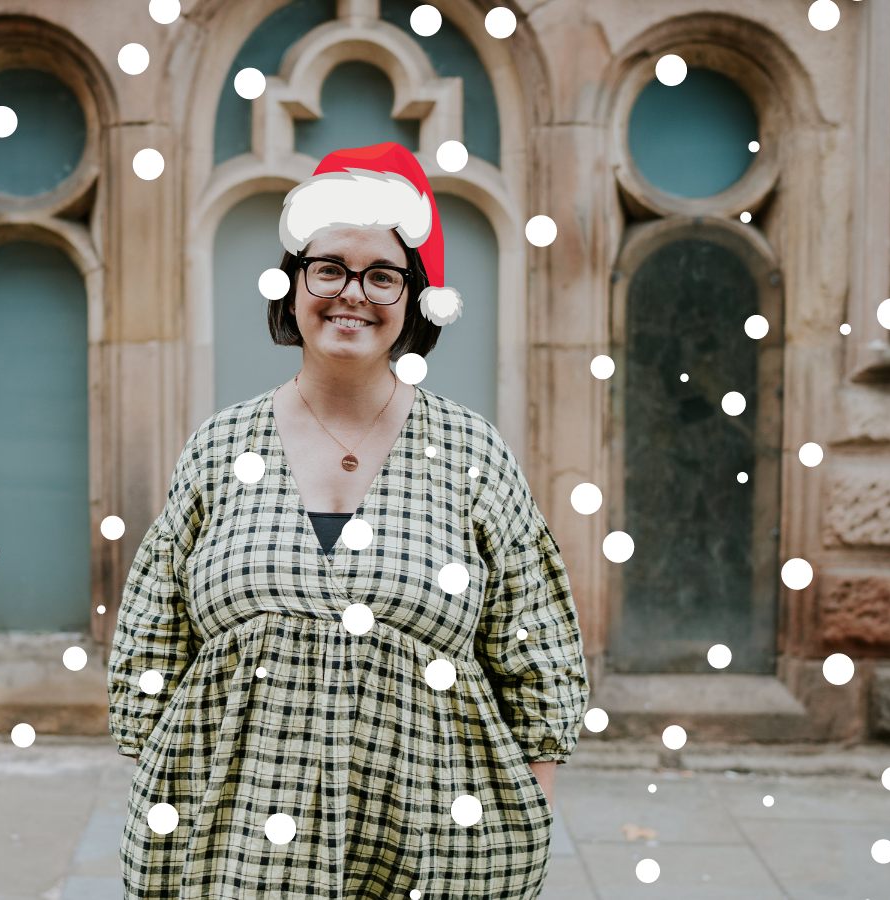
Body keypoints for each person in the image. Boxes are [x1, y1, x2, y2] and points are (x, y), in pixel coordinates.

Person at [107, 142, 590, 899]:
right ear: (293, 284)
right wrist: (162, 786)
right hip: (233, 848)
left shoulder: (469, 451)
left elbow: (537, 643)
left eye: (382, 275)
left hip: (433, 845)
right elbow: (151, 633)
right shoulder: (219, 445)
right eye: (327, 268)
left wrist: (534, 803)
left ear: (414, 298)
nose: (351, 294)